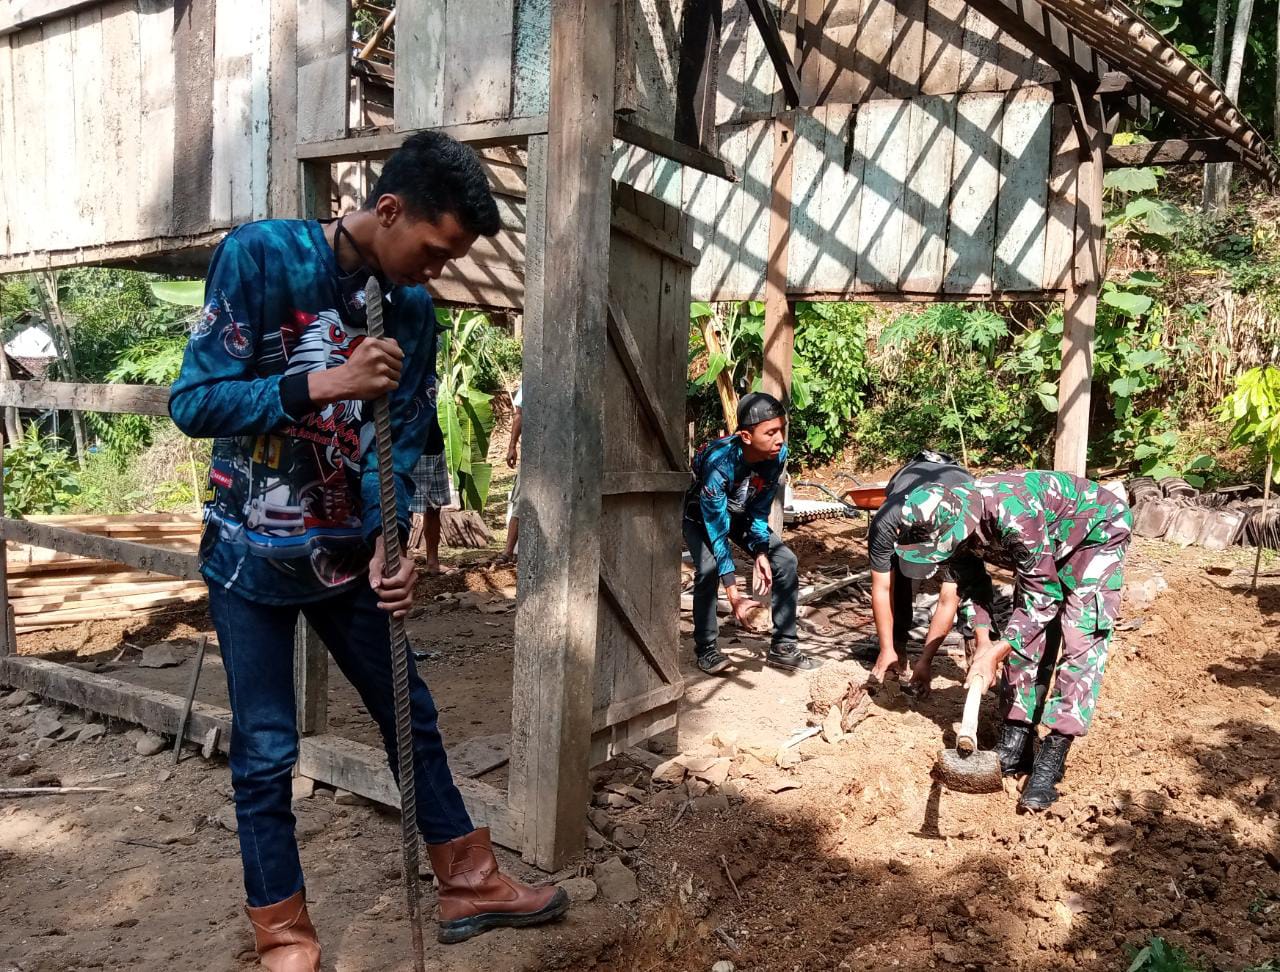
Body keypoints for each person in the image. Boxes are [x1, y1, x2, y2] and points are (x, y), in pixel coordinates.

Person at [168, 132, 568, 969]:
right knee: (268, 751)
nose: (438, 270)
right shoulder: (261, 256)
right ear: (388, 210)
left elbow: (414, 444)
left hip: (352, 561)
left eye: (451, 257)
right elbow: (194, 402)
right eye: (433, 249)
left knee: (411, 716)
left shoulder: (413, 310)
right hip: (251, 558)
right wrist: (324, 382)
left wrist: (400, 545)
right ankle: (283, 933)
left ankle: (468, 880)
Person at [895, 471, 1132, 812]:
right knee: (1023, 639)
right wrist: (985, 644)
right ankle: (1016, 742)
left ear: (957, 526)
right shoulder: (950, 531)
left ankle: (1052, 757)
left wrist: (998, 651)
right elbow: (973, 588)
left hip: (1095, 533)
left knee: (1081, 639)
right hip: (1043, 551)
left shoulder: (1012, 513)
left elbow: (1045, 597)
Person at [683, 392, 819, 675]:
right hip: (701, 515)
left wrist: (759, 551)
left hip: (740, 513)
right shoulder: (719, 465)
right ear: (746, 436)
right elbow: (718, 531)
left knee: (785, 561)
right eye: (770, 432)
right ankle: (707, 648)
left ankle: (783, 647)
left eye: (781, 429)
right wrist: (734, 596)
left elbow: (759, 508)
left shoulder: (776, 456)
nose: (779, 438)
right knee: (708, 568)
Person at [865, 450, 980, 695]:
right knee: (902, 584)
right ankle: (896, 651)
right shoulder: (886, 523)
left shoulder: (964, 526)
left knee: (971, 590)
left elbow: (948, 599)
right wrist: (886, 647)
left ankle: (977, 658)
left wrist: (926, 661)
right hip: (908, 479)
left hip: (957, 502)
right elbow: (883, 587)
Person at [409, 373, 456, 575]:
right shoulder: (405, 374)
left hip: (435, 445)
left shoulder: (430, 375)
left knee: (435, 507)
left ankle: (433, 562)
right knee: (405, 509)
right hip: (413, 449)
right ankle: (401, 562)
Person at [500, 381, 522, 564]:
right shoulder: (532, 381)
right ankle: (507, 552)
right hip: (536, 456)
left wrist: (512, 446)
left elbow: (519, 415)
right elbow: (519, 415)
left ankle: (508, 552)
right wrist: (512, 446)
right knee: (520, 501)